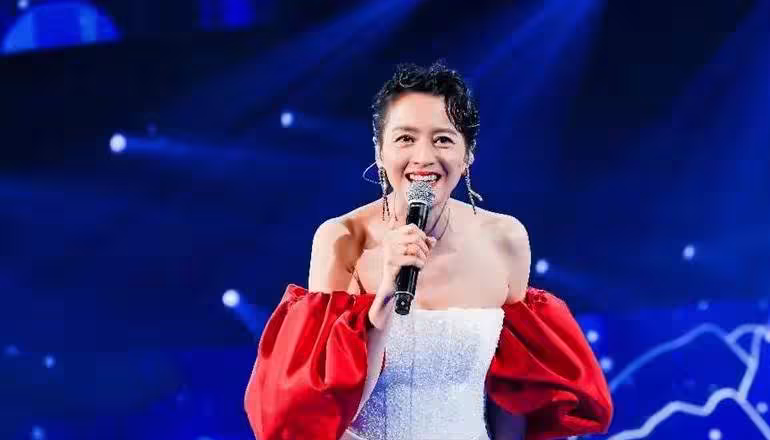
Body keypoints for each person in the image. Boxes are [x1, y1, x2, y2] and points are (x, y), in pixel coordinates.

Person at [244, 61, 613, 440]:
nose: (423, 157)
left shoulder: (506, 238)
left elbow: (516, 393)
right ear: (379, 151)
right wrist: (384, 298)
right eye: (405, 138)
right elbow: (327, 409)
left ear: (467, 154)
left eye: (443, 140)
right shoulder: (341, 238)